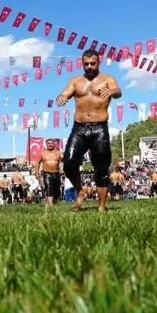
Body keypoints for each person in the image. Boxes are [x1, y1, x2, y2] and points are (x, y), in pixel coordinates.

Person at [56, 49, 122, 212]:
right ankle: (81, 191)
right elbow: (64, 93)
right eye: (86, 64)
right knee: (69, 164)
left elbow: (118, 92)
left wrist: (111, 91)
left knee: (101, 168)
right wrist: (61, 98)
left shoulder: (107, 79)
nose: (90, 66)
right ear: (82, 64)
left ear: (98, 62)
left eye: (93, 63)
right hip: (79, 127)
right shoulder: (76, 81)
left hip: (99, 127)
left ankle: (101, 207)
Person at [35, 138, 63, 206]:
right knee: (48, 187)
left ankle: (54, 201)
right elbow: (37, 163)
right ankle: (51, 205)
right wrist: (36, 172)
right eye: (48, 143)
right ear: (46, 144)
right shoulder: (42, 153)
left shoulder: (58, 152)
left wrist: (64, 169)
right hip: (46, 173)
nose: (49, 144)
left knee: (57, 189)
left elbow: (64, 160)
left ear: (54, 144)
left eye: (51, 143)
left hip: (56, 173)